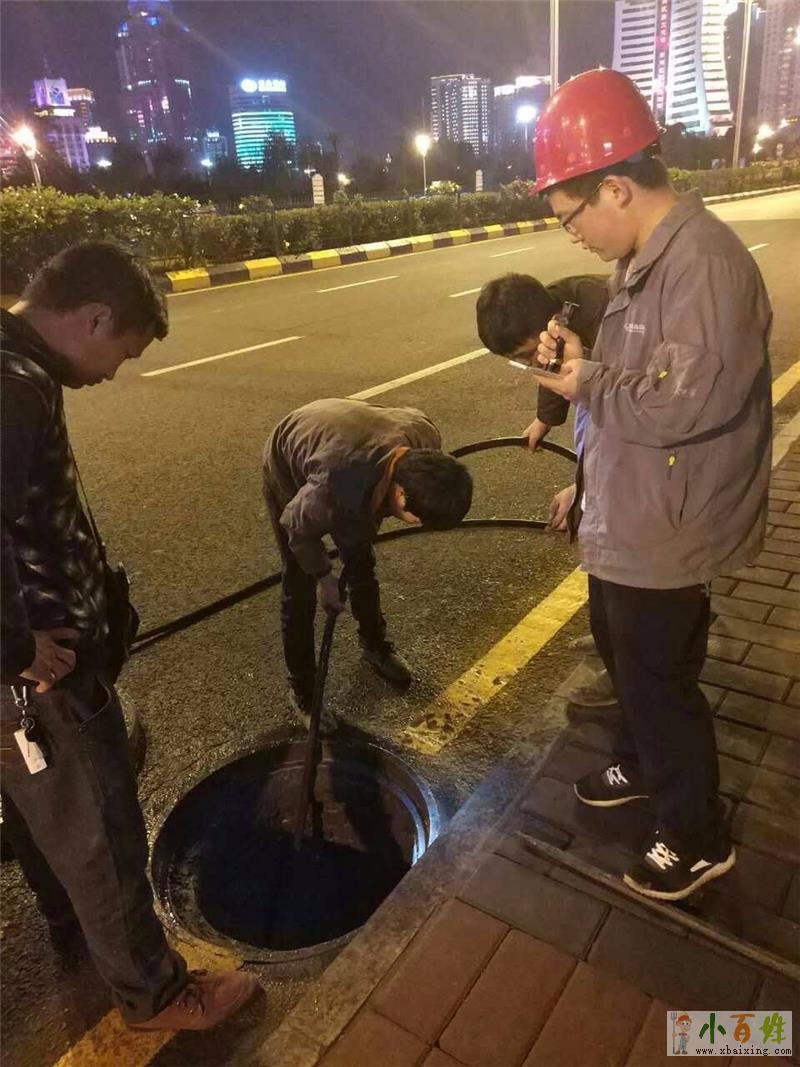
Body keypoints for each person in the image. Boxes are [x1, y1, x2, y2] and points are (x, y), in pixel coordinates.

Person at [1, 242, 258, 1029]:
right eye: (124, 350)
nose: (115, 372)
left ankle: (72, 920)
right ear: (94, 318)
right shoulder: (14, 386)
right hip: (41, 676)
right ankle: (157, 993)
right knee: (102, 830)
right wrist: (15, 647)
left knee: (42, 813)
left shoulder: (17, 364)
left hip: (27, 668)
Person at [531, 70, 772, 901]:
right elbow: (638, 383)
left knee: (659, 682)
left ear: (617, 188)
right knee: (624, 659)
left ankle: (697, 835)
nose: (572, 234)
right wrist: (586, 461)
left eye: (570, 216)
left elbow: (683, 403)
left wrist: (587, 382)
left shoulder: (703, 267)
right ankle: (642, 761)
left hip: (668, 528)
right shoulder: (643, 261)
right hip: (629, 513)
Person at [263, 398, 473, 728]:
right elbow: (297, 528)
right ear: (400, 494)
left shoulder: (425, 436)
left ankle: (375, 645)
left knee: (360, 560)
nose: (416, 524)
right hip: (290, 455)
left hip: (351, 435)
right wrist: (324, 577)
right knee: (298, 585)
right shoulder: (335, 486)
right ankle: (303, 691)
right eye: (416, 519)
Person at [476, 272, 616, 709]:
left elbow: (621, 427)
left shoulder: (607, 320)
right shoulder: (558, 315)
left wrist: (583, 487)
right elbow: (553, 371)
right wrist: (545, 420)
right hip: (608, 454)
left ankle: (625, 673)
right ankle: (609, 638)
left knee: (624, 576)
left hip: (632, 477)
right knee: (601, 561)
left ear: (554, 324)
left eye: (525, 354)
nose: (531, 364)